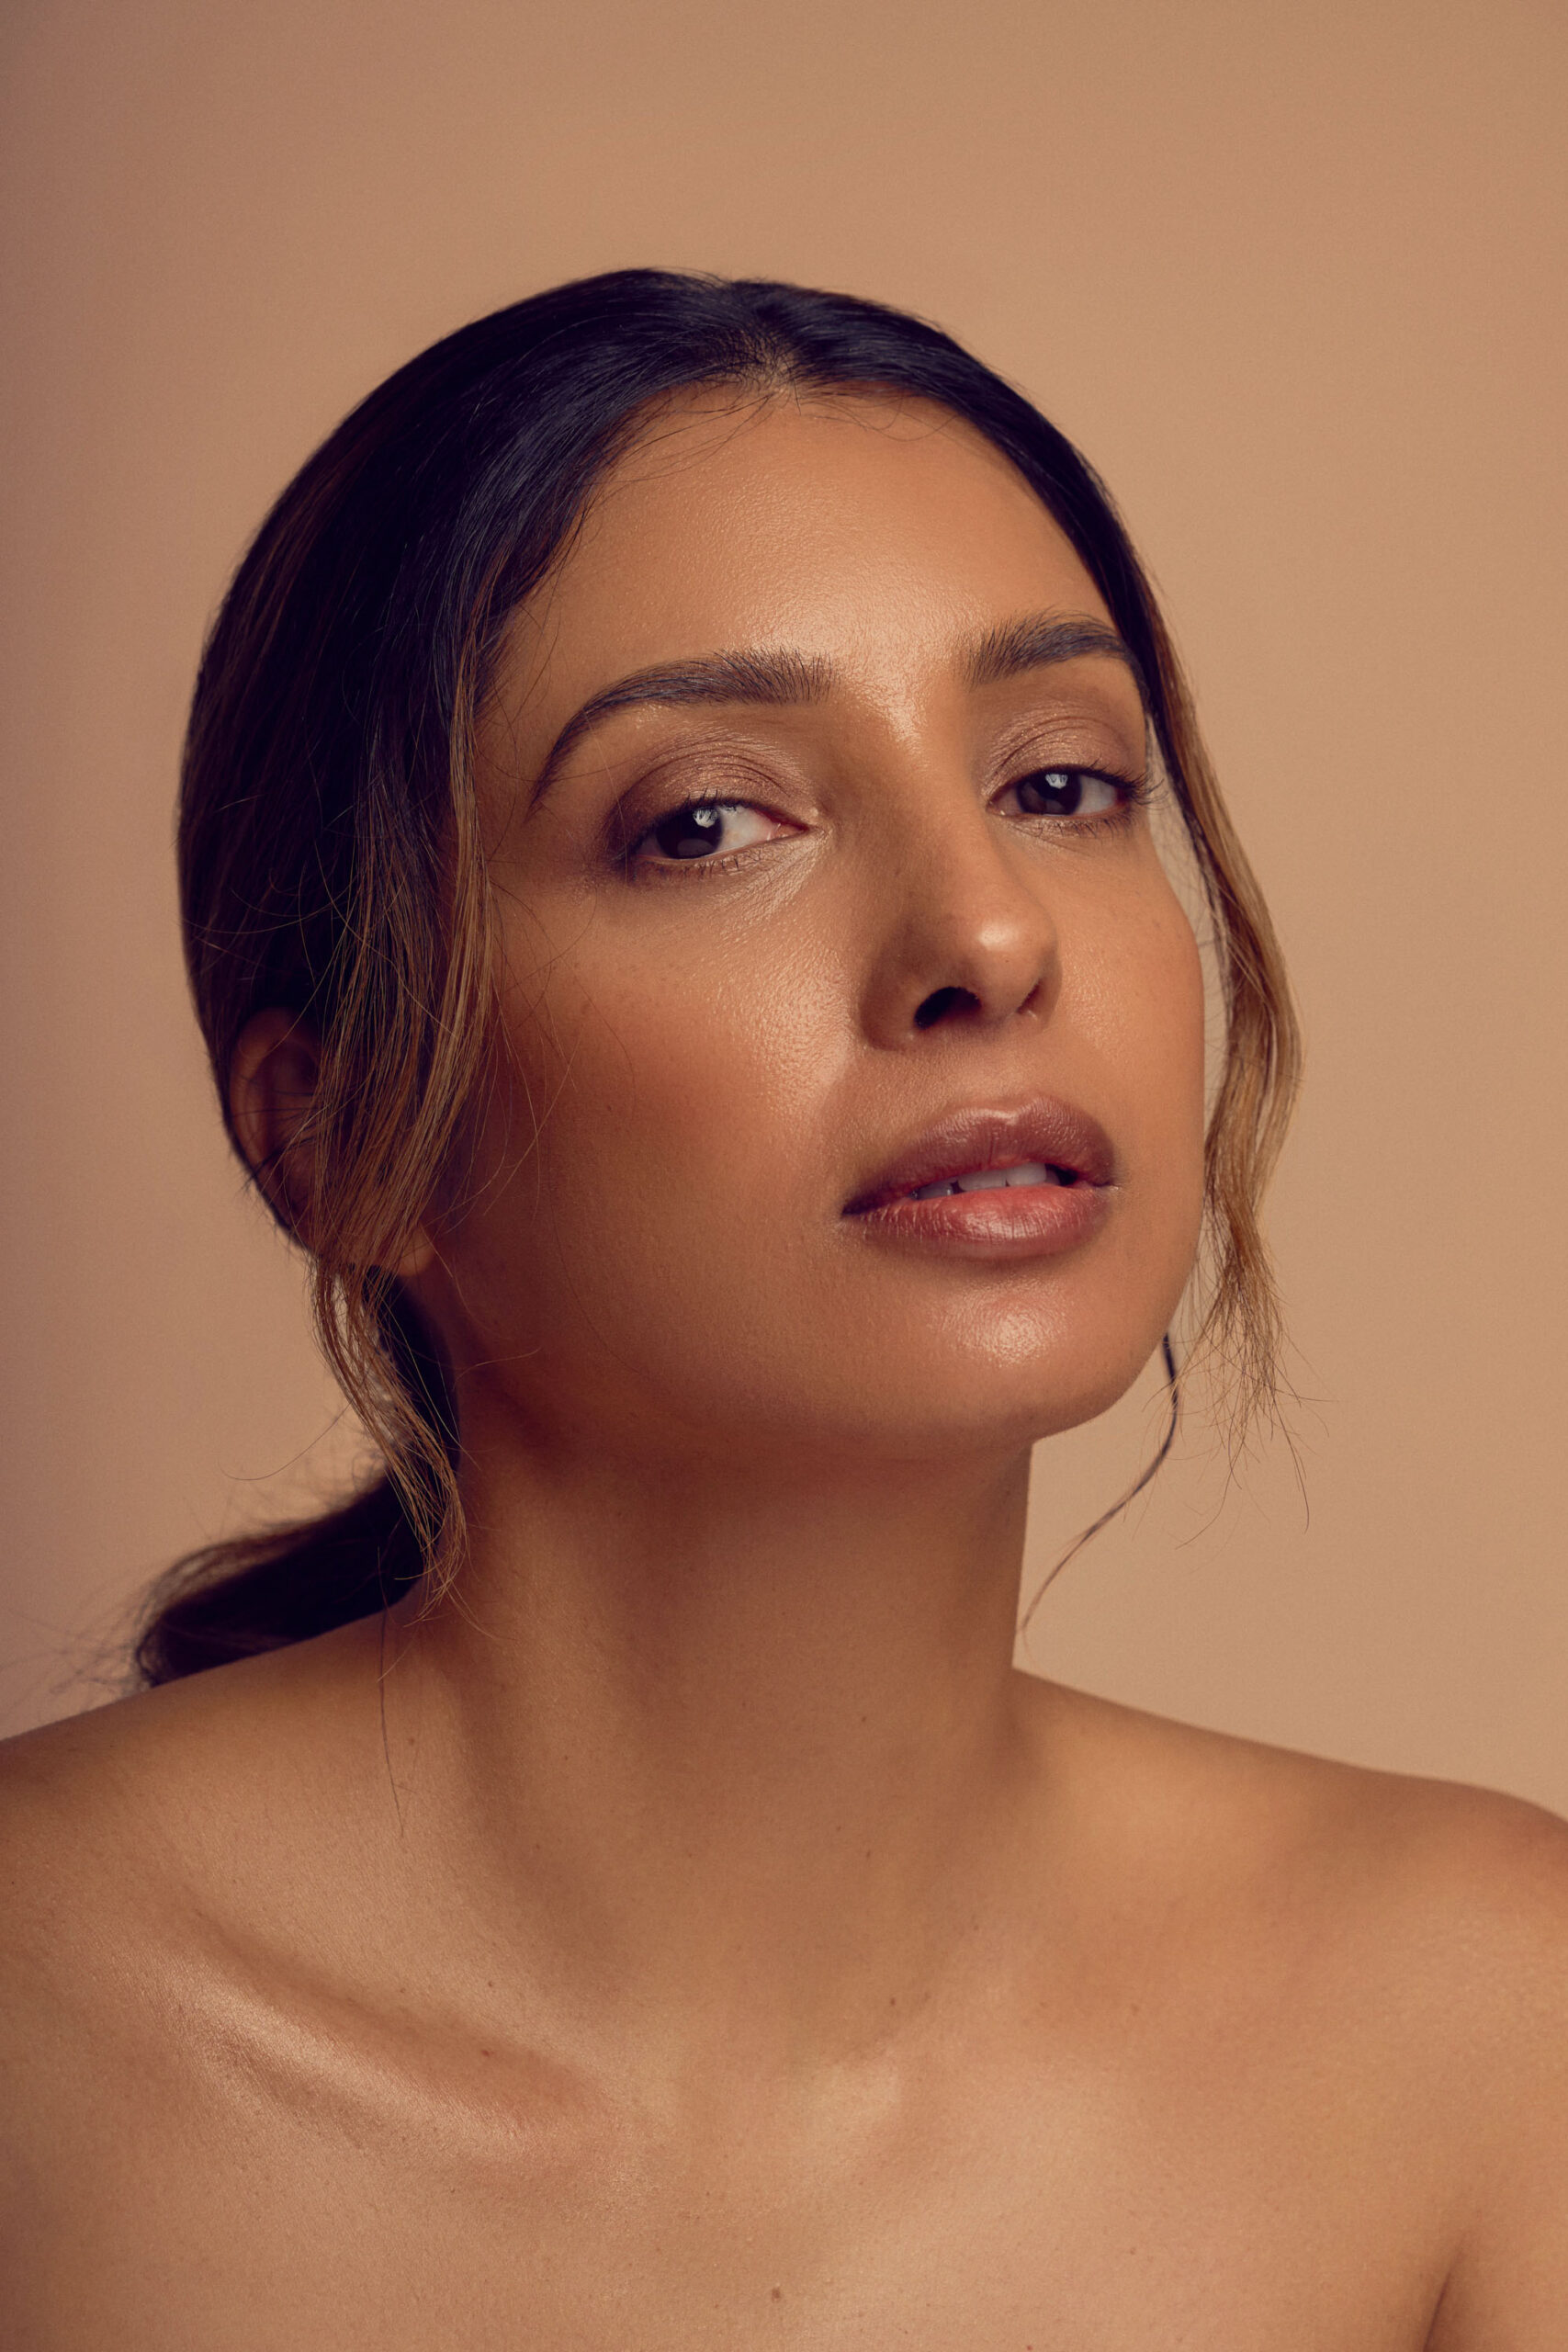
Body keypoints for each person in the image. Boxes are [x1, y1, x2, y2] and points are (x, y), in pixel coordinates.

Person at [1, 270, 1562, 2346]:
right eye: (707, 820)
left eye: (1061, 782)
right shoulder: (42, 2040)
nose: (989, 933)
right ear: (346, 1132)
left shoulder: (1478, 2032)